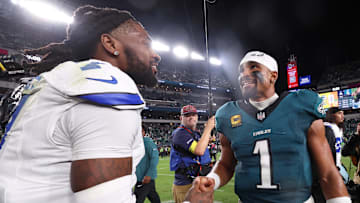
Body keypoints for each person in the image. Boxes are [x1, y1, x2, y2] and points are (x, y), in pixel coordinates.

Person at [0, 5, 161, 203]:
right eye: (145, 43)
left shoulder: (58, 80)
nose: (156, 55)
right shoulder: (105, 84)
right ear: (110, 44)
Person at [185, 50, 350, 203]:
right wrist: (212, 180)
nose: (244, 74)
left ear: (273, 75)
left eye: (253, 67)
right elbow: (226, 164)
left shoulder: (301, 105)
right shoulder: (228, 114)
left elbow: (327, 173)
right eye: (241, 71)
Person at [169, 105, 215, 203]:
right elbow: (199, 151)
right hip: (186, 184)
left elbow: (198, 146)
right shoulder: (180, 133)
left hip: (200, 179)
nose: (191, 117)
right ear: (181, 118)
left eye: (193, 115)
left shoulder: (194, 133)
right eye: (187, 115)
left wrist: (207, 140)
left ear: (197, 117)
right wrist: (208, 128)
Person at [312, 107, 348, 202]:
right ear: (331, 115)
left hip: (336, 166)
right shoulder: (326, 128)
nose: (342, 116)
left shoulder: (338, 128)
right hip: (327, 171)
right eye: (339, 113)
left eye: (343, 113)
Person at [134, 125, 161, 203]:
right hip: (139, 178)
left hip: (144, 178)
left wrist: (149, 174)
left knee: (137, 199)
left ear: (144, 132)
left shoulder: (148, 142)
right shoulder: (135, 144)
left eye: (140, 131)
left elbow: (154, 158)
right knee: (154, 198)